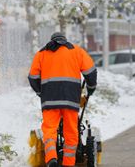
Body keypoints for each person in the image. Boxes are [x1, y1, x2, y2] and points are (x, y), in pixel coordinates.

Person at [28, 32, 97, 167]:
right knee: (71, 132)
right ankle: (68, 163)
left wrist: (40, 92)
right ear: (65, 41)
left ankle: (52, 158)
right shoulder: (77, 51)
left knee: (49, 130)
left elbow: (33, 77)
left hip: (49, 100)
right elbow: (90, 72)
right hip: (70, 99)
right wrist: (91, 87)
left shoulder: (41, 53)